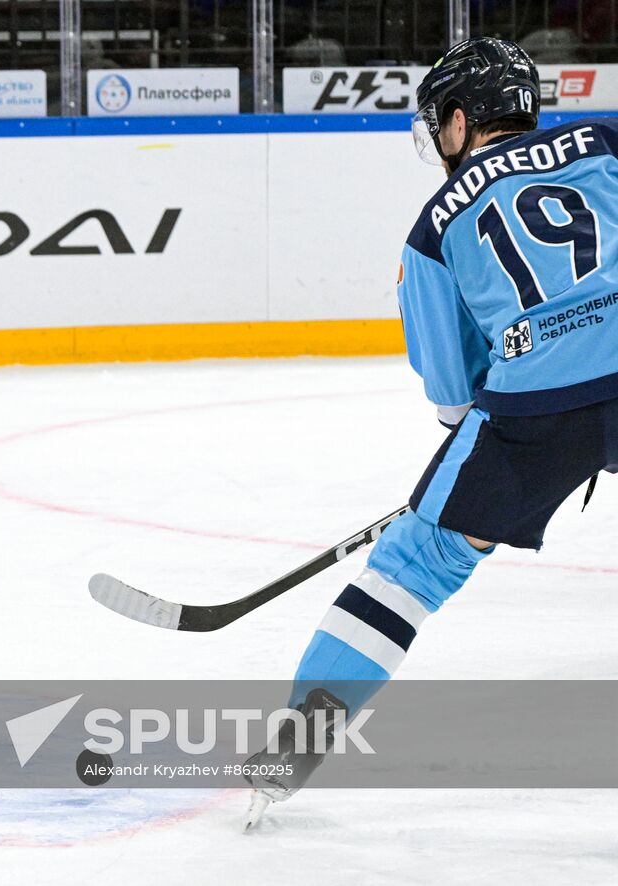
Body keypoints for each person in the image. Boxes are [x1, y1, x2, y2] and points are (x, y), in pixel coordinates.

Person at [243, 37, 618, 826]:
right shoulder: (609, 142)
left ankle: (291, 749)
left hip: (534, 410)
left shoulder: (434, 225)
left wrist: (476, 465)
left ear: (458, 119)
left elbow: (452, 389)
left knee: (414, 567)